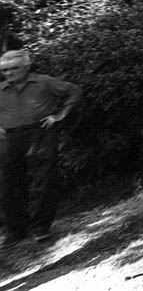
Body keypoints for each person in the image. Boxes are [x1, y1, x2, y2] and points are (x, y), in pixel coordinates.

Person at [0, 50, 82, 246]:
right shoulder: (0, 89)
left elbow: (74, 91)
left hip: (41, 134)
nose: (9, 73)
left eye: (14, 68)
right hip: (9, 139)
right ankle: (16, 231)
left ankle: (41, 227)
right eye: (4, 70)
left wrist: (60, 115)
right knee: (9, 184)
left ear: (27, 67)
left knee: (43, 181)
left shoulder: (44, 82)